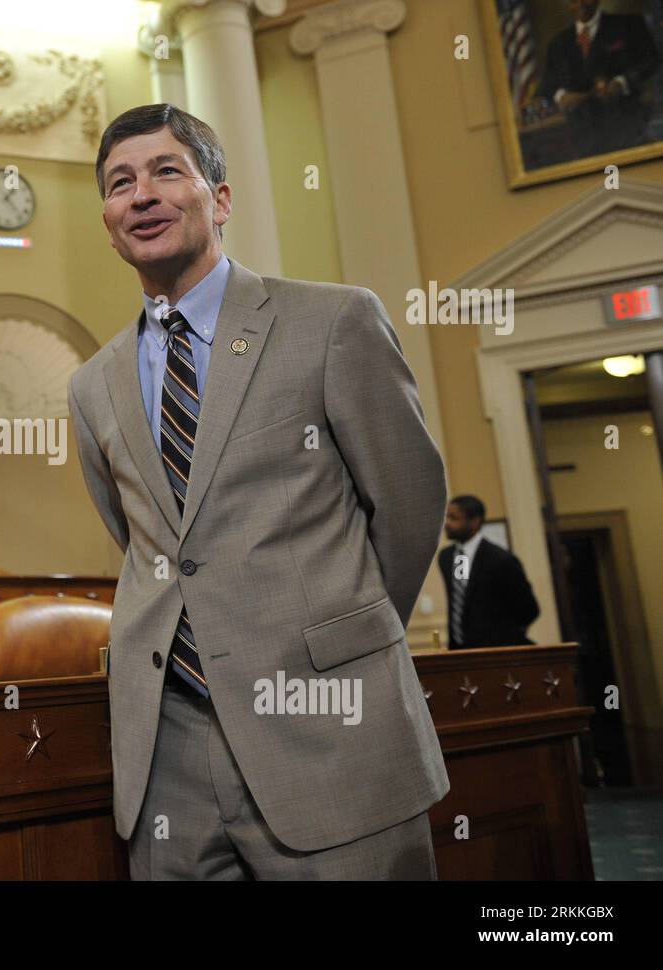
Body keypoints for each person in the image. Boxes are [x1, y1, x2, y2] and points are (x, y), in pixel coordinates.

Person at [68, 104, 448, 879]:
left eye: (167, 171)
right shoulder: (91, 385)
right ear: (107, 223)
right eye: (119, 183)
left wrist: (338, 634)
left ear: (222, 198)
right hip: (168, 750)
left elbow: (409, 503)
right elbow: (150, 544)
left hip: (327, 726)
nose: (141, 195)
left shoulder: (334, 321)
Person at [537, 0, 661, 157]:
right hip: (582, 135)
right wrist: (561, 96)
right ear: (568, 5)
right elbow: (547, 85)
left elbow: (651, 61)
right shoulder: (558, 43)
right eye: (574, 1)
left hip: (628, 124)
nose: (581, 4)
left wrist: (622, 82)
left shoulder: (628, 25)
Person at [437, 495, 540, 649]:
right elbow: (461, 598)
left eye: (454, 518)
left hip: (496, 650)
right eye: (447, 517)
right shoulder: (448, 557)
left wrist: (506, 634)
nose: (447, 523)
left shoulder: (500, 559)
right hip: (461, 650)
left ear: (475, 522)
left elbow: (528, 610)